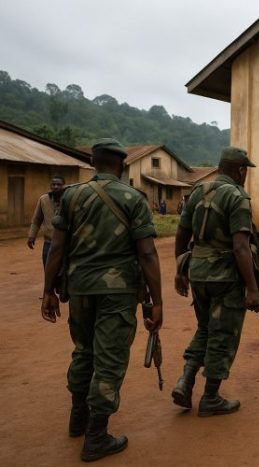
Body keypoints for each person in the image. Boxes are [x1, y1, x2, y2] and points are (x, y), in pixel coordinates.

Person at [41, 139, 162, 462]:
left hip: (79, 289)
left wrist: (48, 291)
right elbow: (147, 253)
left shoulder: (70, 196)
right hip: (117, 293)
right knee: (109, 360)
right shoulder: (133, 198)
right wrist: (157, 301)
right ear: (121, 164)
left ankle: (77, 418)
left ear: (94, 163)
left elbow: (57, 247)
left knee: (84, 351)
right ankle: (96, 437)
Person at [173, 146, 259, 417]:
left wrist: (180, 270)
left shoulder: (198, 191)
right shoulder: (237, 196)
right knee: (223, 334)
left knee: (205, 328)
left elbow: (182, 233)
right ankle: (210, 397)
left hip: (198, 272)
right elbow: (241, 247)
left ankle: (186, 380)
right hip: (225, 277)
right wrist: (252, 288)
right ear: (241, 170)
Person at [27, 174, 65, 268]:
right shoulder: (43, 200)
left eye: (59, 184)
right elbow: (37, 220)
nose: (56, 187)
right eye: (53, 184)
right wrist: (32, 236)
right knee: (48, 269)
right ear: (50, 186)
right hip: (49, 243)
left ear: (63, 186)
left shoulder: (69, 199)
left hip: (65, 244)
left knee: (64, 271)